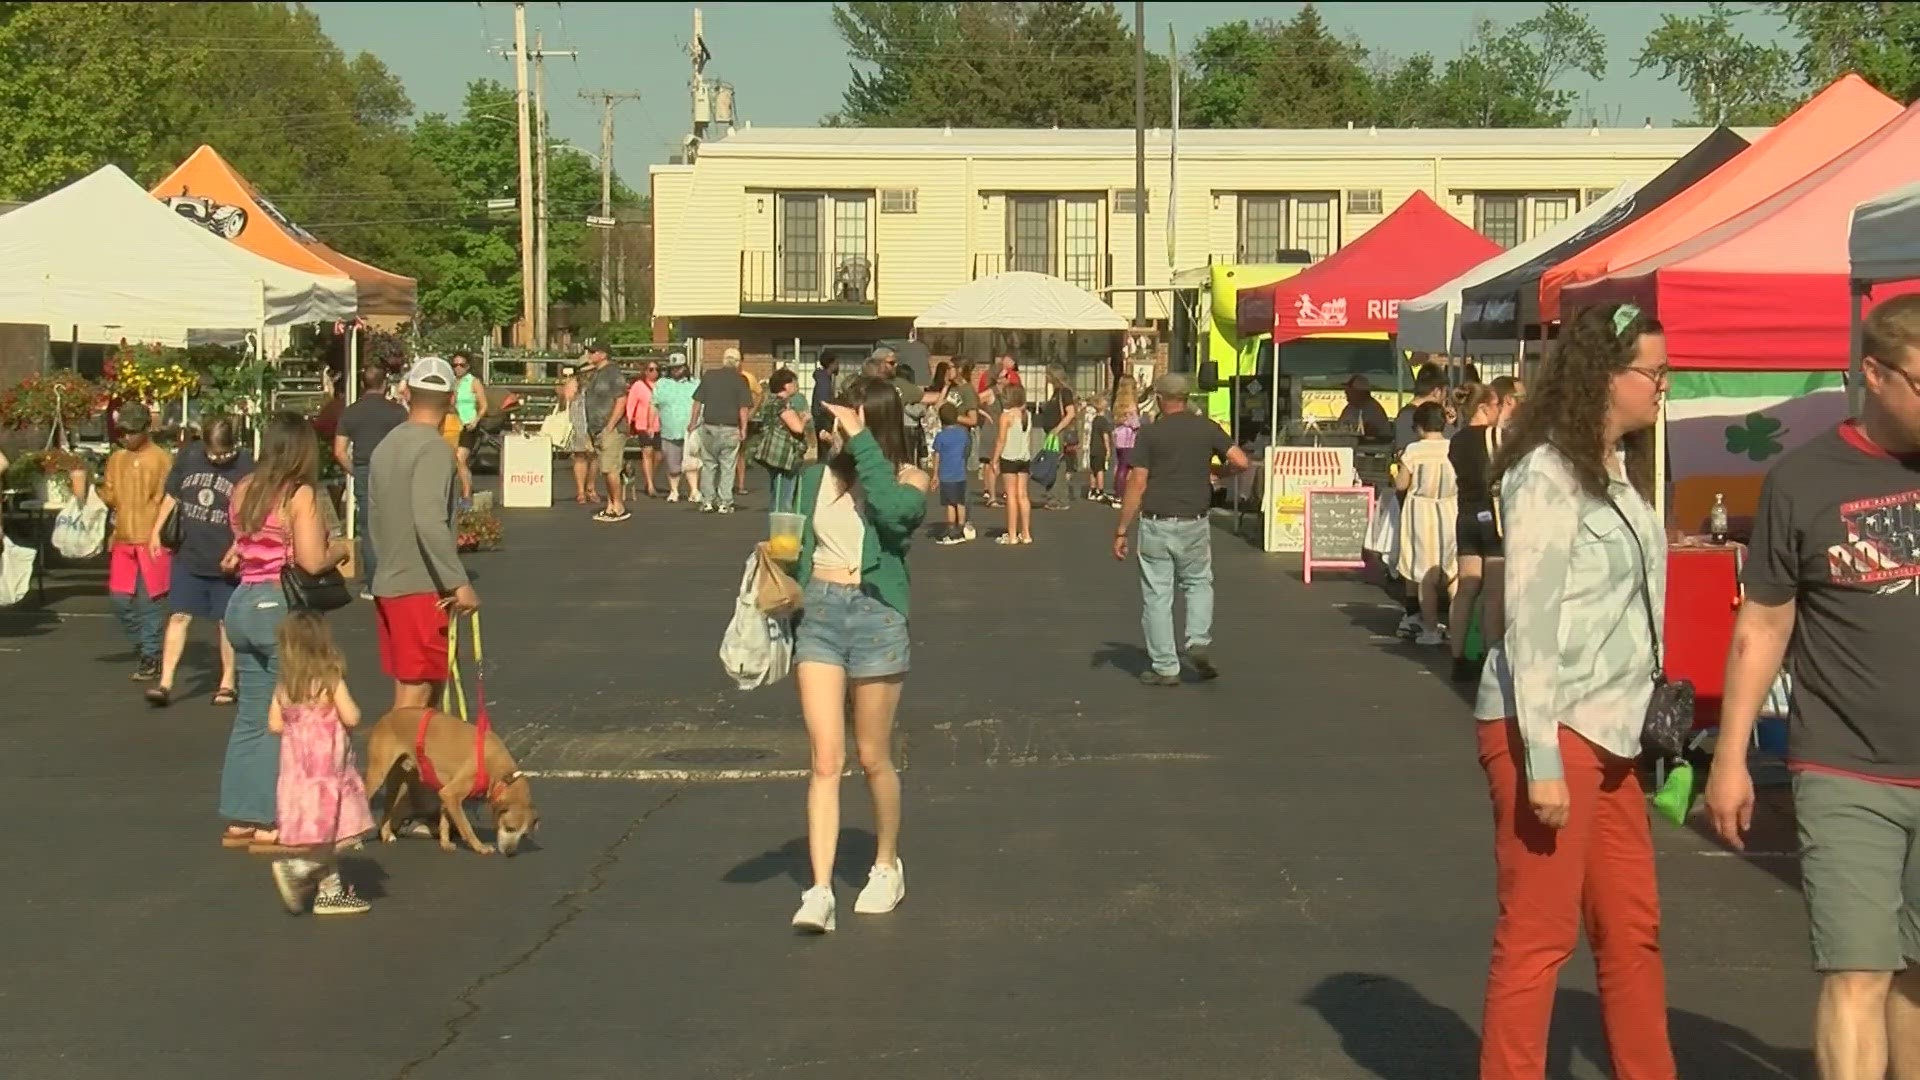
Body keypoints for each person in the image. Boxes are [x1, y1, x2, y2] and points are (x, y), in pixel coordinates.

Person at [1708, 294, 1920, 1080]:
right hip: (1846, 768)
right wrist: (1730, 757)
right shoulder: (1805, 479)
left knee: (1917, 978)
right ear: (1874, 373)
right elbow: (1762, 627)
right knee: (1858, 972)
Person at [1473, 301, 1674, 1079]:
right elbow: (1528, 617)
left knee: (1632, 929)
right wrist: (1542, 757)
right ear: (1605, 376)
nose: (1663, 387)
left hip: (1615, 727)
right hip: (1549, 726)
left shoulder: (1620, 473)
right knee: (1539, 932)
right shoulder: (1546, 475)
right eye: (1653, 372)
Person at [787, 375, 931, 933]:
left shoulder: (907, 477)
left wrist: (863, 444)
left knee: (872, 756)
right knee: (826, 759)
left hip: (875, 614)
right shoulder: (814, 479)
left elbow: (897, 520)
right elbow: (794, 539)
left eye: (851, 418)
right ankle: (819, 888)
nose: (838, 427)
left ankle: (886, 865)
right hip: (820, 613)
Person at [219, 412, 352, 852]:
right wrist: (342, 549)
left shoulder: (243, 489)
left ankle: (242, 815)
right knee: (292, 715)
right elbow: (312, 560)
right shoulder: (299, 493)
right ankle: (273, 820)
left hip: (241, 603)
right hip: (279, 602)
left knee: (253, 714)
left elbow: (240, 546)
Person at [1113, 373, 1250, 687]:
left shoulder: (1150, 434)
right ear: (1187, 397)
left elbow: (1137, 481)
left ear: (1161, 398)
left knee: (1158, 595)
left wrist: (1122, 528)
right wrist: (1218, 471)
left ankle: (1165, 666)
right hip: (1194, 520)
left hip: (1157, 521)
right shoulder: (1206, 428)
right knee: (1199, 582)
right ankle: (1198, 639)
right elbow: (1241, 461)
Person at [369, 358, 478, 712]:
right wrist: (458, 581)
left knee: (413, 686)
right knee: (417, 694)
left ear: (406, 394)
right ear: (450, 401)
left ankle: (412, 765)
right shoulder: (433, 448)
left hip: (391, 578)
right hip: (420, 585)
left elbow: (373, 518)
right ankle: (400, 766)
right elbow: (429, 520)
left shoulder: (386, 445)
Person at [266, 612, 376, 916]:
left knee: (321, 835)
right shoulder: (330, 680)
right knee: (336, 833)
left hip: (297, 776)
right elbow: (352, 716)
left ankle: (330, 892)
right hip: (329, 772)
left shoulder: (284, 686)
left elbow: (274, 725)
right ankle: (299, 870)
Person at [147, 416, 252, 708]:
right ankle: (165, 682)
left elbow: (252, 511)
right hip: (189, 553)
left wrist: (237, 546)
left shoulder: (245, 465)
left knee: (225, 622)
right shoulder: (189, 457)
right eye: (214, 453)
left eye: (225, 453)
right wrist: (156, 531)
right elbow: (172, 496)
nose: (220, 459)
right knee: (178, 615)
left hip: (224, 559)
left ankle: (227, 683)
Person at [1447, 377, 1521, 684]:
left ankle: (1457, 655)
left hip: (1465, 514)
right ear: (1485, 406)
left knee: (1466, 586)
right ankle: (1492, 659)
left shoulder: (1458, 439)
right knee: (1492, 592)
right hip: (1492, 516)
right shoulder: (1494, 436)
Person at [99, 402, 174, 682]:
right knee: (120, 600)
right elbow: (110, 496)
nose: (125, 437)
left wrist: (161, 534)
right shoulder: (116, 460)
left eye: (131, 432)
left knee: (150, 601)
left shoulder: (162, 459)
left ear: (145, 430)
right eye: (122, 432)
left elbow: (168, 500)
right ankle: (145, 645)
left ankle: (151, 655)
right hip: (123, 538)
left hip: (152, 538)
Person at [333, 364, 406, 599]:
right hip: (392, 471)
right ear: (385, 384)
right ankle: (395, 579)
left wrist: (355, 471)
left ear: (363, 384)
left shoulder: (351, 412)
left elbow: (340, 451)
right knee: (395, 525)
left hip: (365, 470)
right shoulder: (397, 412)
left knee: (368, 527)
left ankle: (374, 584)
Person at [1393, 402, 1459, 648]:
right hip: (1451, 508)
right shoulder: (1453, 448)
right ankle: (1455, 628)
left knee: (1425, 573)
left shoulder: (1414, 451)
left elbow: (1401, 484)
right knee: (1453, 573)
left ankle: (1430, 628)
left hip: (1421, 511)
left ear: (1419, 427)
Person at [691, 347, 752, 514]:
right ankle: (725, 502)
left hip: (709, 426)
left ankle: (707, 501)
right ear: (738, 363)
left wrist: (692, 423)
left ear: (723, 360)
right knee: (727, 466)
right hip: (730, 428)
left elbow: (697, 402)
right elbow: (743, 408)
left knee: (709, 464)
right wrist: (744, 429)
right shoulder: (741, 380)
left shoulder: (709, 376)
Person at [578, 341, 631, 523]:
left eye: (593, 352)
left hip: (612, 429)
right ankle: (610, 506)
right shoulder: (596, 374)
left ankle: (618, 506)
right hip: (597, 428)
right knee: (605, 470)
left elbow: (621, 400)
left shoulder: (613, 373)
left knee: (611, 468)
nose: (590, 355)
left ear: (603, 354)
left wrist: (610, 426)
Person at [746, 368, 810, 514]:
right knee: (785, 495)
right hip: (784, 454)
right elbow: (797, 428)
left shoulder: (770, 402)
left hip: (770, 450)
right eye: (794, 383)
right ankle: (782, 532)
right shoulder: (783, 403)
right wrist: (804, 419)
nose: (796, 386)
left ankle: (777, 528)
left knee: (777, 491)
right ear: (786, 385)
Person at [992, 382, 1034, 545]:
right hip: (1024, 458)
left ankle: (1012, 535)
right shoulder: (1027, 415)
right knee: (1023, 495)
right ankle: (1026, 533)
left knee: (1011, 496)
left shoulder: (1006, 416)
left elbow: (1001, 440)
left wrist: (994, 460)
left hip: (1009, 458)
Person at [653, 355, 699, 503]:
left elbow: (701, 404)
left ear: (685, 367)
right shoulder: (662, 384)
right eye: (673, 368)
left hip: (690, 429)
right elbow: (654, 404)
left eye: (679, 367)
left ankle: (694, 490)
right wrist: (650, 424)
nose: (676, 370)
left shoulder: (695, 383)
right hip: (669, 429)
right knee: (672, 464)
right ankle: (674, 491)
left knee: (692, 462)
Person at [1037, 365, 1080, 510]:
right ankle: (1058, 497)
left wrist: (1057, 428)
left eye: (1048, 375)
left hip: (1058, 432)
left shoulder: (1064, 392)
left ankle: (1058, 498)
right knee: (1057, 464)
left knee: (1054, 464)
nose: (1046, 377)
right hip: (1053, 431)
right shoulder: (1056, 392)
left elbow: (1071, 413)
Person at [931, 403, 974, 544]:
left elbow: (937, 456)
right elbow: (967, 450)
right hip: (960, 473)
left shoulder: (940, 437)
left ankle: (951, 530)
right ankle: (960, 529)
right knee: (960, 502)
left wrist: (935, 475)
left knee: (950, 504)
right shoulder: (963, 434)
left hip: (946, 475)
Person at [449, 351, 488, 506]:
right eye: (455, 365)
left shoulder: (473, 382)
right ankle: (457, 492)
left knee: (460, 458)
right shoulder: (450, 382)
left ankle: (466, 496)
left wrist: (476, 420)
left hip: (468, 425)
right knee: (453, 461)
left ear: (468, 366)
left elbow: (484, 405)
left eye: (461, 365)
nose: (458, 368)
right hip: (453, 424)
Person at [623, 360, 663, 498]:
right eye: (651, 369)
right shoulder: (638, 386)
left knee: (659, 456)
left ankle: (650, 476)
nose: (655, 372)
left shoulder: (662, 385)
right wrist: (628, 422)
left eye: (657, 369)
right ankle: (650, 484)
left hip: (661, 424)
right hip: (643, 424)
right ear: (645, 371)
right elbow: (630, 405)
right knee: (647, 452)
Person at [558, 368, 597, 504]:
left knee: (594, 456)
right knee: (580, 456)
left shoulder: (599, 381)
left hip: (595, 422)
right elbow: (564, 402)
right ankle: (581, 491)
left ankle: (590, 487)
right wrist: (565, 389)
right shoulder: (574, 383)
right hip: (578, 422)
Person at [1088, 396, 1114, 504]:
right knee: (1100, 470)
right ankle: (1100, 490)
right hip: (1100, 449)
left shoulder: (1095, 420)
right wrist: (1108, 449)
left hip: (1093, 447)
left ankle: (1092, 490)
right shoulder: (1103, 421)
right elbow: (1105, 436)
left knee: (1093, 469)